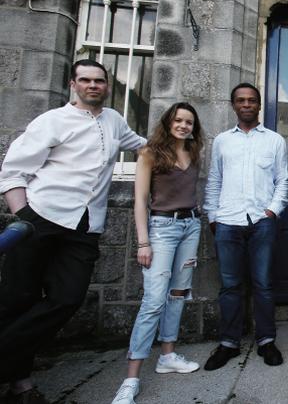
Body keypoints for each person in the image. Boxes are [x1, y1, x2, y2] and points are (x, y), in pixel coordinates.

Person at [0, 59, 146, 404]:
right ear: (73, 84)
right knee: (18, 301)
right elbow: (13, 171)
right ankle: (20, 386)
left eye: (99, 81)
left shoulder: (114, 121)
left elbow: (143, 146)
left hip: (85, 227)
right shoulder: (52, 121)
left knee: (67, 299)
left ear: (107, 85)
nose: (93, 86)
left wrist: (180, 145)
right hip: (40, 218)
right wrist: (24, 217)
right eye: (86, 80)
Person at [111, 103, 205, 404]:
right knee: (153, 300)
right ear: (168, 122)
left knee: (178, 293)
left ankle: (167, 356)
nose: (183, 125)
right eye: (178, 120)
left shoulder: (194, 153)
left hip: (191, 226)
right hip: (161, 229)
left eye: (189, 122)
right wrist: (143, 242)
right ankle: (131, 379)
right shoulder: (150, 153)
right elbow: (140, 202)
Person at [203, 83, 288, 370]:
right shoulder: (222, 141)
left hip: (262, 222)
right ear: (233, 105)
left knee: (264, 285)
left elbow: (283, 181)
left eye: (252, 100)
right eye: (241, 100)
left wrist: (273, 211)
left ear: (259, 105)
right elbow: (214, 180)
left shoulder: (275, 140)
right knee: (230, 286)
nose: (247, 104)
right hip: (227, 221)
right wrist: (213, 216)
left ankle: (266, 341)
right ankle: (229, 343)